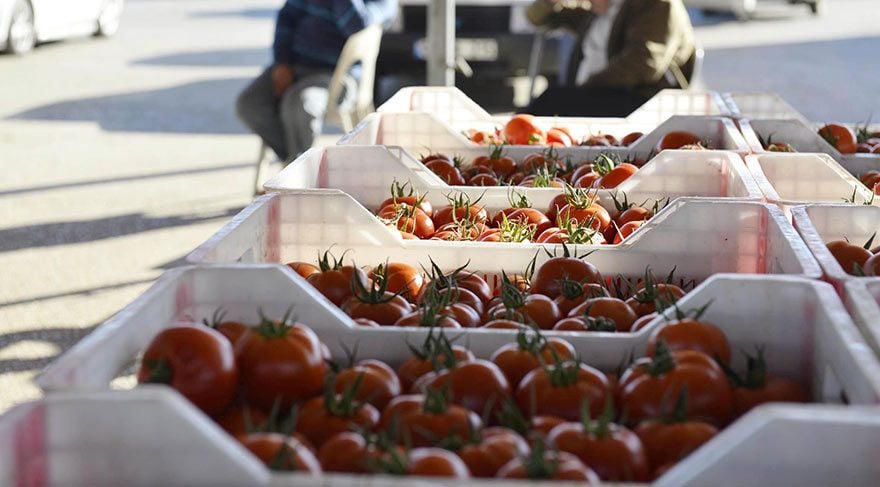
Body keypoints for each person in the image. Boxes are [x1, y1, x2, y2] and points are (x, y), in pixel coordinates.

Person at [236, 0, 397, 161]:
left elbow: (355, 25)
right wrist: (282, 63)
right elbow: (287, 17)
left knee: (301, 105)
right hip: (294, 64)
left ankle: (298, 168)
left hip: (335, 76)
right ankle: (296, 161)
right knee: (249, 104)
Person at [525, 0, 696, 117]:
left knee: (552, 101)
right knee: (549, 104)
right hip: (596, 94)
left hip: (639, 101)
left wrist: (585, 88)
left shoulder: (656, 4)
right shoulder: (598, 9)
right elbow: (536, 18)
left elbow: (643, 64)